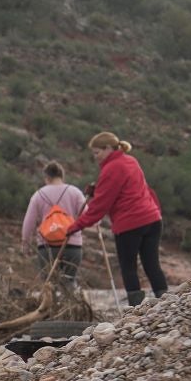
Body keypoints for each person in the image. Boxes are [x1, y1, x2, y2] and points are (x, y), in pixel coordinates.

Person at [68, 131, 167, 306]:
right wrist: (98, 189)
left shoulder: (111, 168)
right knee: (152, 264)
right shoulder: (131, 161)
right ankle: (168, 304)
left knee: (128, 268)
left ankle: (137, 310)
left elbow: (100, 206)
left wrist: (76, 226)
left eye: (97, 152)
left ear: (108, 148)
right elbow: (140, 190)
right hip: (152, 219)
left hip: (130, 224)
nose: (95, 157)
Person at [20, 162, 85, 284]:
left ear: (47, 177)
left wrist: (25, 243)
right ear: (62, 176)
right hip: (71, 245)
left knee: (48, 284)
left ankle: (51, 302)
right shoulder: (75, 192)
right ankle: (70, 302)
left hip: (47, 246)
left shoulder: (38, 195)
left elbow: (29, 221)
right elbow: (87, 215)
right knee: (69, 281)